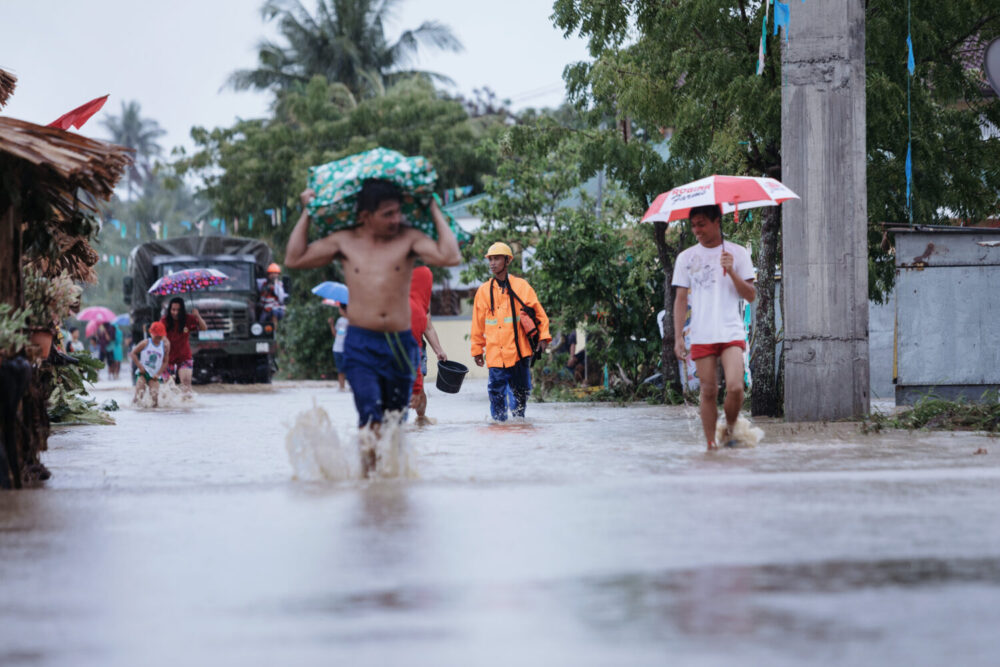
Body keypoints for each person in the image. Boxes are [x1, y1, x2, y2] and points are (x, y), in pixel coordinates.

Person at [284, 179, 461, 476]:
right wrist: (308, 212)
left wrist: (432, 205)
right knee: (370, 416)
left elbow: (450, 255)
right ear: (365, 215)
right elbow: (294, 258)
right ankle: (369, 484)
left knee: (396, 421)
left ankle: (389, 488)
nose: (395, 220)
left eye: (398, 213)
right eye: (387, 214)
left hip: (401, 344)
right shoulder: (345, 240)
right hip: (361, 343)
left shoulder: (407, 238)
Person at [672, 204, 756, 450]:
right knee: (708, 391)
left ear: (717, 221)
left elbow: (750, 295)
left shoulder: (738, 253)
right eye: (694, 225)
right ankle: (711, 446)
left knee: (736, 386)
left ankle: (729, 430)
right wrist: (678, 337)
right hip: (701, 333)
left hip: (730, 331)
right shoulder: (685, 258)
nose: (697, 230)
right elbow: (680, 299)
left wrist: (730, 271)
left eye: (702, 224)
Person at [470, 241, 552, 422]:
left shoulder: (521, 287)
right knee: (496, 395)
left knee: (520, 396)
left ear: (507, 261)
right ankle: (499, 430)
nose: (492, 263)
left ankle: (518, 429)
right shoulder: (483, 291)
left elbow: (539, 314)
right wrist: (477, 350)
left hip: (519, 353)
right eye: (490, 259)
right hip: (495, 355)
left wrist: (544, 338)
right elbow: (477, 324)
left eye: (496, 259)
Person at [408, 266, 448, 425]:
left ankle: (421, 419)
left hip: (417, 348)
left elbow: (428, 326)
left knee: (420, 389)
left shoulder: (420, 298)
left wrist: (439, 350)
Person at [160, 297, 208, 395]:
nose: (175, 312)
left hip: (184, 356)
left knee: (186, 384)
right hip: (167, 357)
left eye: (178, 310)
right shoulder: (164, 320)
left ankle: (186, 406)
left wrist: (198, 316)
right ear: (169, 310)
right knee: (168, 387)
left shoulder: (189, 318)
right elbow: (160, 334)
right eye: (173, 310)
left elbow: (204, 328)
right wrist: (165, 340)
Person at [130, 321, 170, 407]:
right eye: (156, 337)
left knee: (155, 399)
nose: (157, 339)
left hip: (155, 376)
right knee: (138, 396)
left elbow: (165, 362)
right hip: (143, 373)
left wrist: (158, 373)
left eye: (160, 337)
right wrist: (140, 367)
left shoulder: (164, 346)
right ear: (151, 333)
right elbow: (133, 353)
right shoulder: (145, 343)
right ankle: (133, 410)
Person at [328, 304, 350, 391]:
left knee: (349, 369)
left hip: (346, 348)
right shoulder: (340, 320)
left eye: (339, 308)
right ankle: (342, 387)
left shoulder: (352, 320)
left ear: (343, 309)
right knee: (340, 369)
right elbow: (336, 334)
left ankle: (352, 387)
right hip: (337, 348)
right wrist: (332, 325)